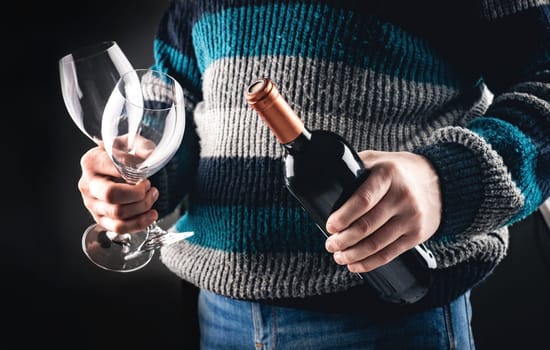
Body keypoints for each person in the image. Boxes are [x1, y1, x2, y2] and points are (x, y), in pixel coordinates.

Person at [77, 0, 549, 348]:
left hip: (389, 318)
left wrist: (445, 181)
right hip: (219, 314)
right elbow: (181, 104)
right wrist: (142, 175)